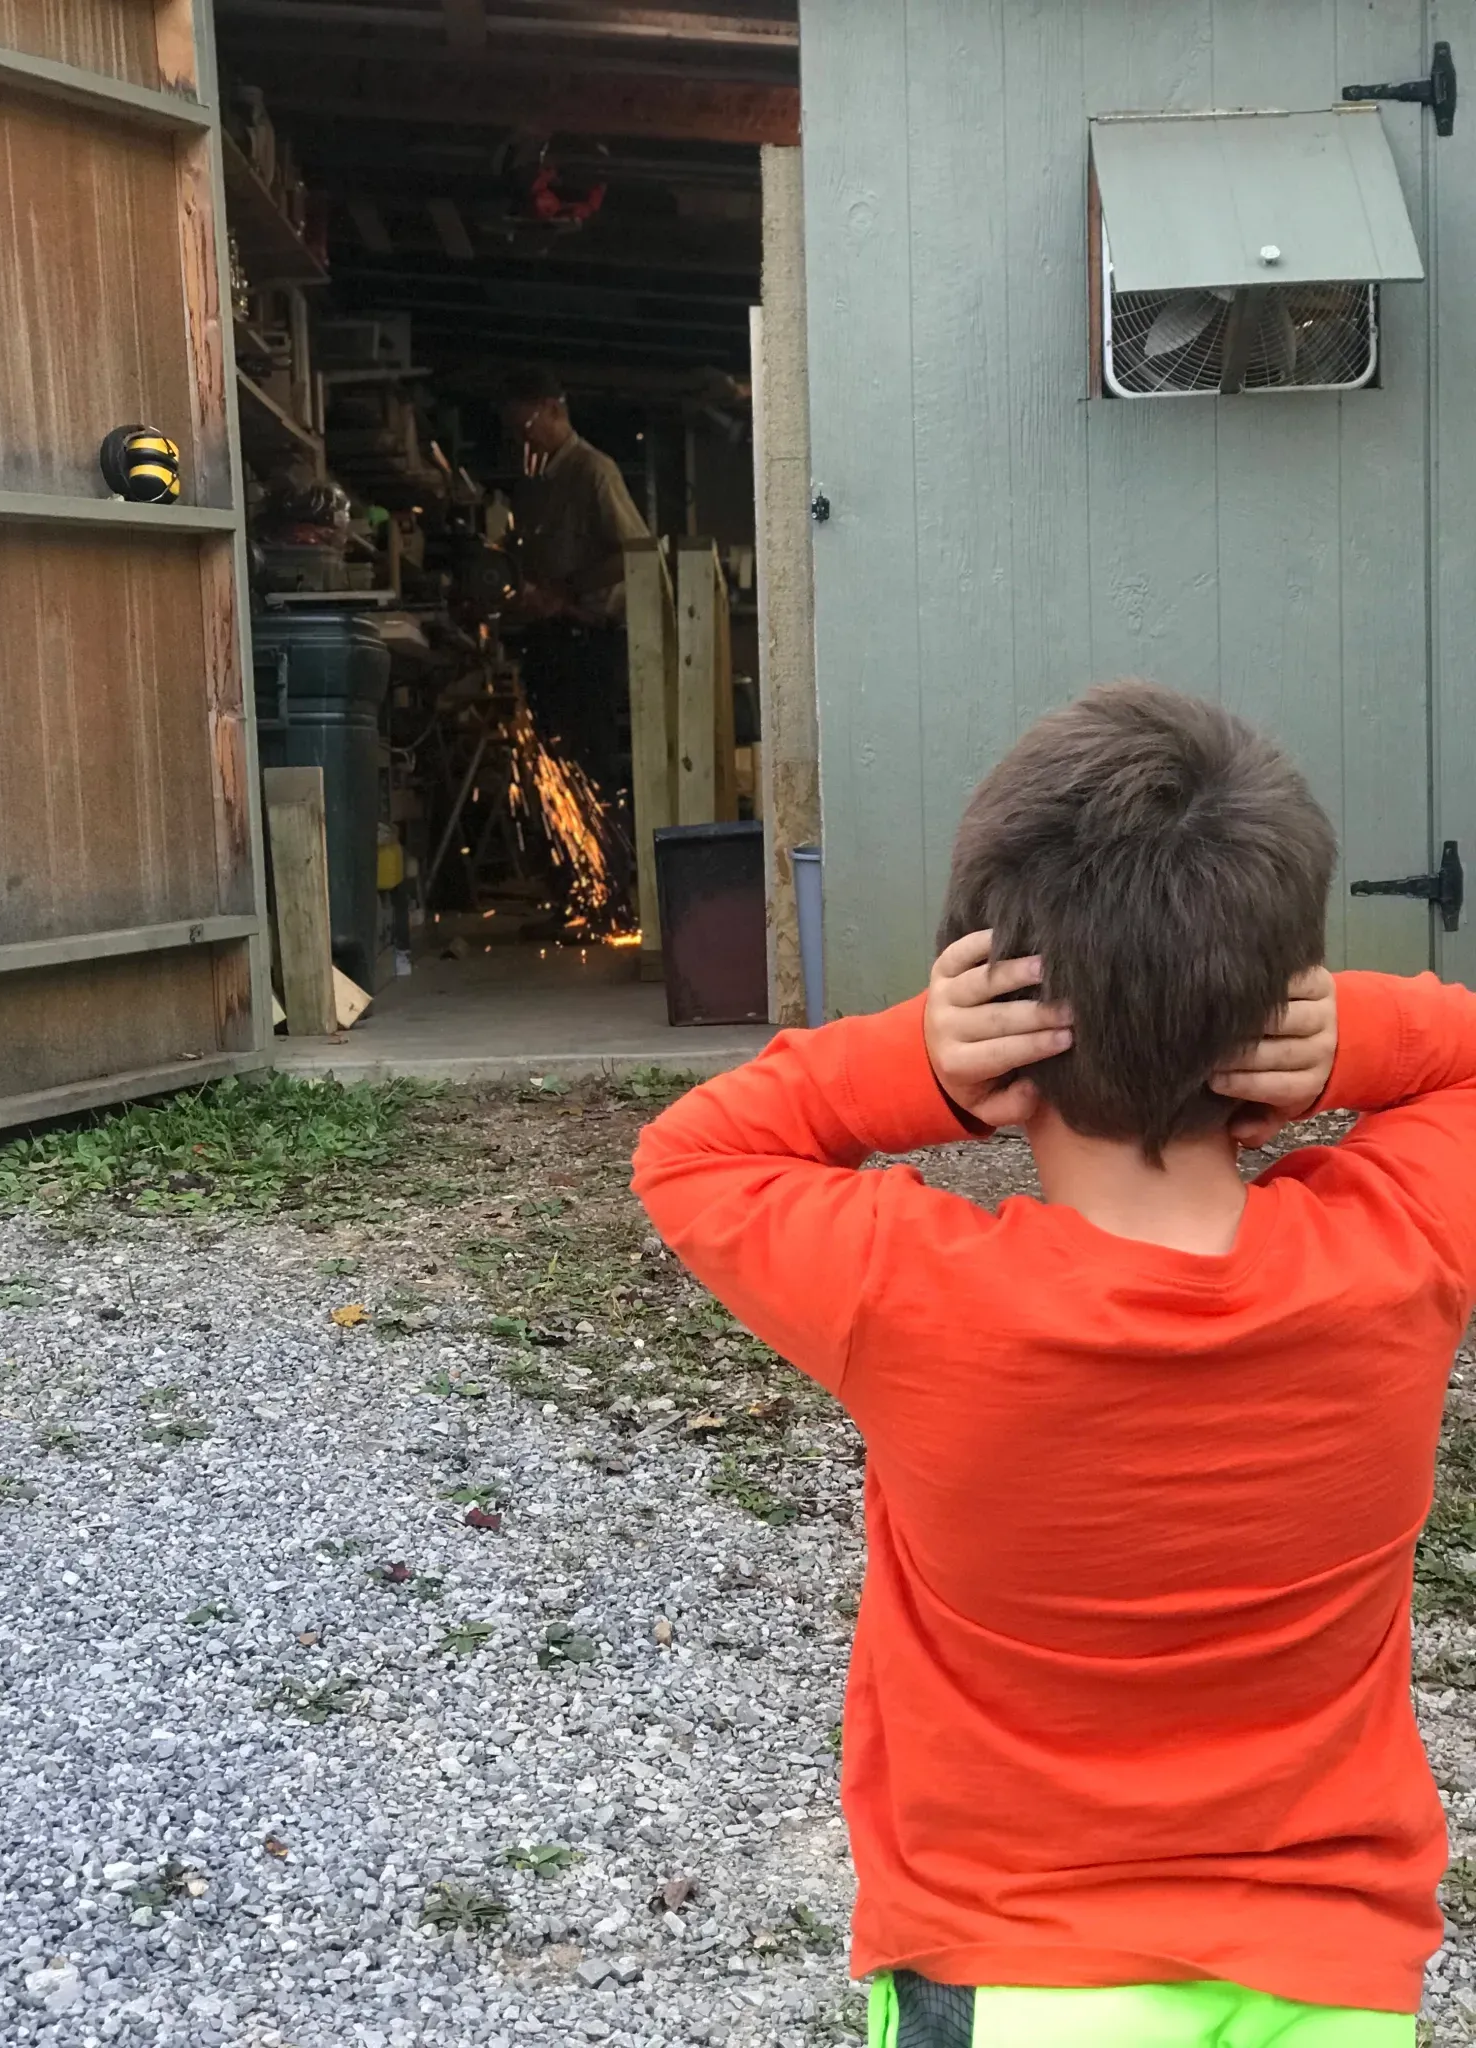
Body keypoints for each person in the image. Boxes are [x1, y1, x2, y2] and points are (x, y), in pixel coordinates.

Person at [632, 681, 1476, 2048]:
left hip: (1020, 1975)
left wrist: (918, 1064)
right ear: (1272, 1018)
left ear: (1004, 1006)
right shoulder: (1402, 1258)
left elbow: (693, 1154)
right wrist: (1352, 1040)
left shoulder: (920, 1302)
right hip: (1333, 1981)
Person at [500, 364, 650, 795]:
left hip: (587, 643)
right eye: (514, 431)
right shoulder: (533, 485)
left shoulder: (593, 472)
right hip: (546, 640)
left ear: (553, 410)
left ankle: (601, 856)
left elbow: (635, 552)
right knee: (548, 762)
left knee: (587, 762)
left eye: (525, 426)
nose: (522, 439)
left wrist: (564, 590)